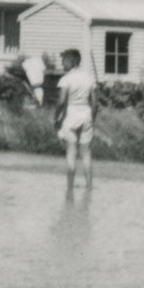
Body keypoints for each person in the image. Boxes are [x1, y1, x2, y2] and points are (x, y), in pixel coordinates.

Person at [54, 47, 95, 192]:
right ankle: (89, 186)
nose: (62, 64)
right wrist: (92, 120)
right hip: (86, 114)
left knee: (71, 152)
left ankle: (70, 188)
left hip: (71, 114)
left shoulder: (66, 79)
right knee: (86, 153)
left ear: (71, 61)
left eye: (64, 60)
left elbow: (61, 101)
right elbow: (95, 103)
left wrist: (56, 118)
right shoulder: (88, 78)